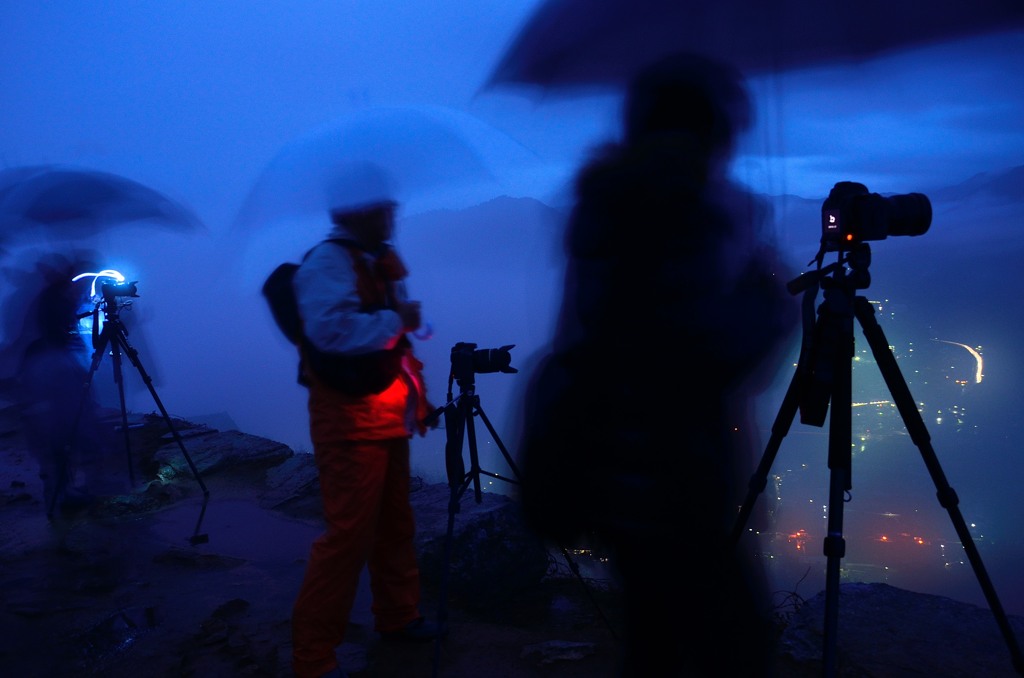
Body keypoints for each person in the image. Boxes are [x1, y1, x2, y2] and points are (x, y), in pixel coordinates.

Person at [517, 53, 799, 677]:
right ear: (710, 129)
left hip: (611, 466)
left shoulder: (604, 208)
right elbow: (703, 356)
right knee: (728, 646)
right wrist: (768, 300)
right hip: (673, 471)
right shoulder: (685, 215)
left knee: (653, 633)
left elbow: (597, 335)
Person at [289, 162, 440, 678]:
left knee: (396, 525)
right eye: (384, 204)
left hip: (385, 416)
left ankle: (398, 616)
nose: (394, 212)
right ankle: (313, 658)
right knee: (347, 539)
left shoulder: (374, 260)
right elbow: (329, 332)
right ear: (358, 210)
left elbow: (391, 340)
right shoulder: (327, 263)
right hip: (349, 422)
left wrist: (416, 397)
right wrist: (400, 319)